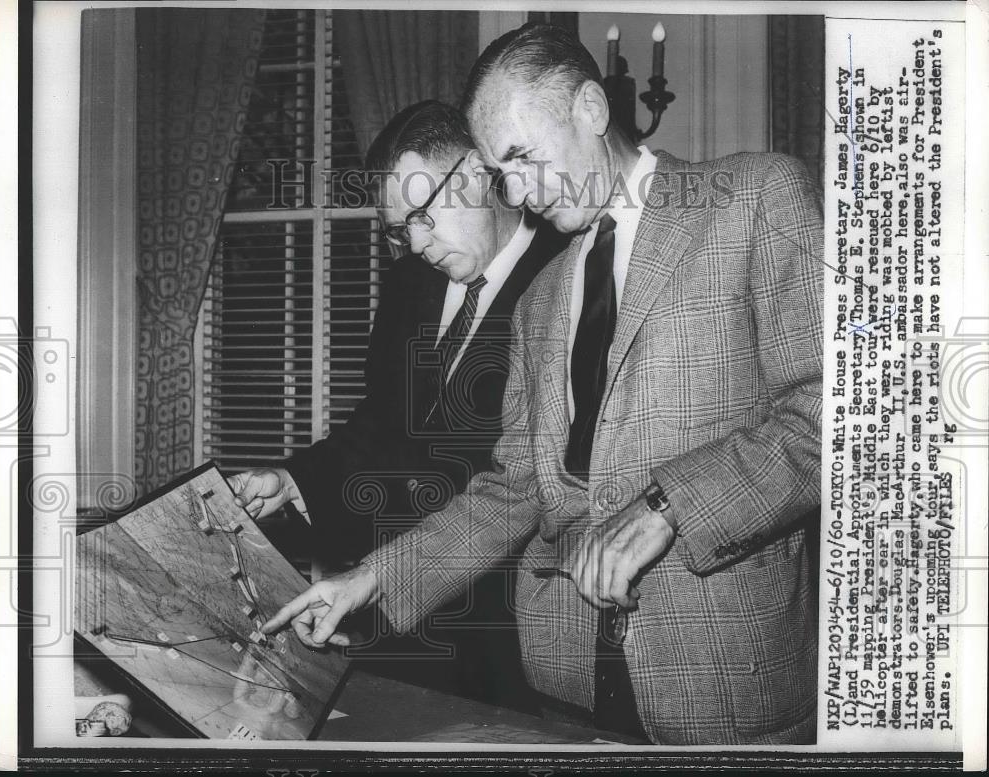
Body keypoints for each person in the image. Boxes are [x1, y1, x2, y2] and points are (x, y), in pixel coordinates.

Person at [264, 23, 823, 745]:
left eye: (524, 156)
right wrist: (371, 580)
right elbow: (514, 489)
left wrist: (668, 505)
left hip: (723, 679)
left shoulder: (754, 199)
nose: (520, 192)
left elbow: (832, 417)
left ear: (590, 109)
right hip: (567, 681)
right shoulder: (541, 297)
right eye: (503, 172)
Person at [228, 100, 569, 712]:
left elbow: (533, 485)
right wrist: (294, 480)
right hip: (393, 615)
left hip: (512, 632)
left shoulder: (568, 277)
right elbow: (379, 426)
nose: (414, 243)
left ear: (469, 174)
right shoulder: (412, 282)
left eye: (422, 215)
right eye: (400, 228)